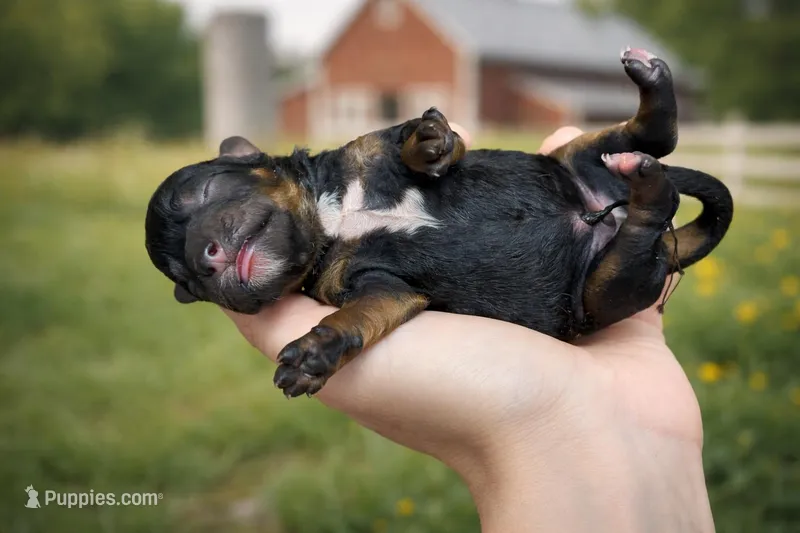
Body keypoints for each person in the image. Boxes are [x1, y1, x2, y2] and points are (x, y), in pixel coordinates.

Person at [222, 126, 716, 533]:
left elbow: (425, 148)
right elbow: (386, 300)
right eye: (198, 271)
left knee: (589, 152)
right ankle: (647, 216)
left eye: (206, 196)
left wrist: (429, 141)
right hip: (579, 287)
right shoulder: (339, 280)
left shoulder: (354, 162)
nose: (214, 250)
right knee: (622, 278)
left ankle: (654, 128)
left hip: (563, 183)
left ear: (256, 164)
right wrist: (331, 339)